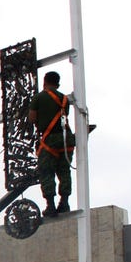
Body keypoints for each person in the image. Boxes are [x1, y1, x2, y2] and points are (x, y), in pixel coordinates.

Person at [29, 70, 76, 217]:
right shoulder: (64, 100)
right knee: (64, 170)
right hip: (65, 139)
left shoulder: (39, 98)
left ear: (45, 82)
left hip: (49, 140)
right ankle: (65, 202)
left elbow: (32, 118)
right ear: (58, 83)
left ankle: (50, 205)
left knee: (46, 171)